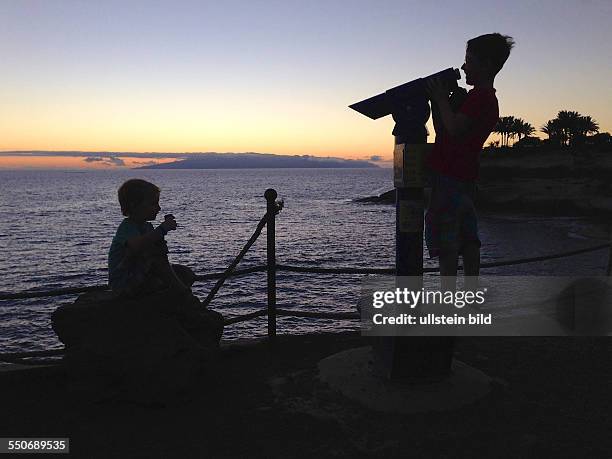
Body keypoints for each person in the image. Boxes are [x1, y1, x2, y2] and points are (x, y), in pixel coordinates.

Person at [425, 33, 514, 291]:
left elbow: (453, 129)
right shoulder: (485, 99)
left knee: (447, 243)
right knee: (467, 239)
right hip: (466, 177)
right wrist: (443, 104)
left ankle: (448, 302)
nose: (463, 67)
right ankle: (472, 294)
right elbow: (447, 131)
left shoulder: (480, 98)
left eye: (469, 60)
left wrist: (441, 98)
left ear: (486, 65)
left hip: (449, 177)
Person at [108, 178, 193, 297]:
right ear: (134, 205)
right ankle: (182, 293)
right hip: (124, 282)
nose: (159, 208)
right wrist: (162, 229)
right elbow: (136, 246)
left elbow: (157, 250)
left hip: (141, 275)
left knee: (186, 274)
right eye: (153, 204)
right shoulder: (127, 227)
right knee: (157, 258)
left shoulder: (148, 227)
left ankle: (175, 294)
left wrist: (160, 237)